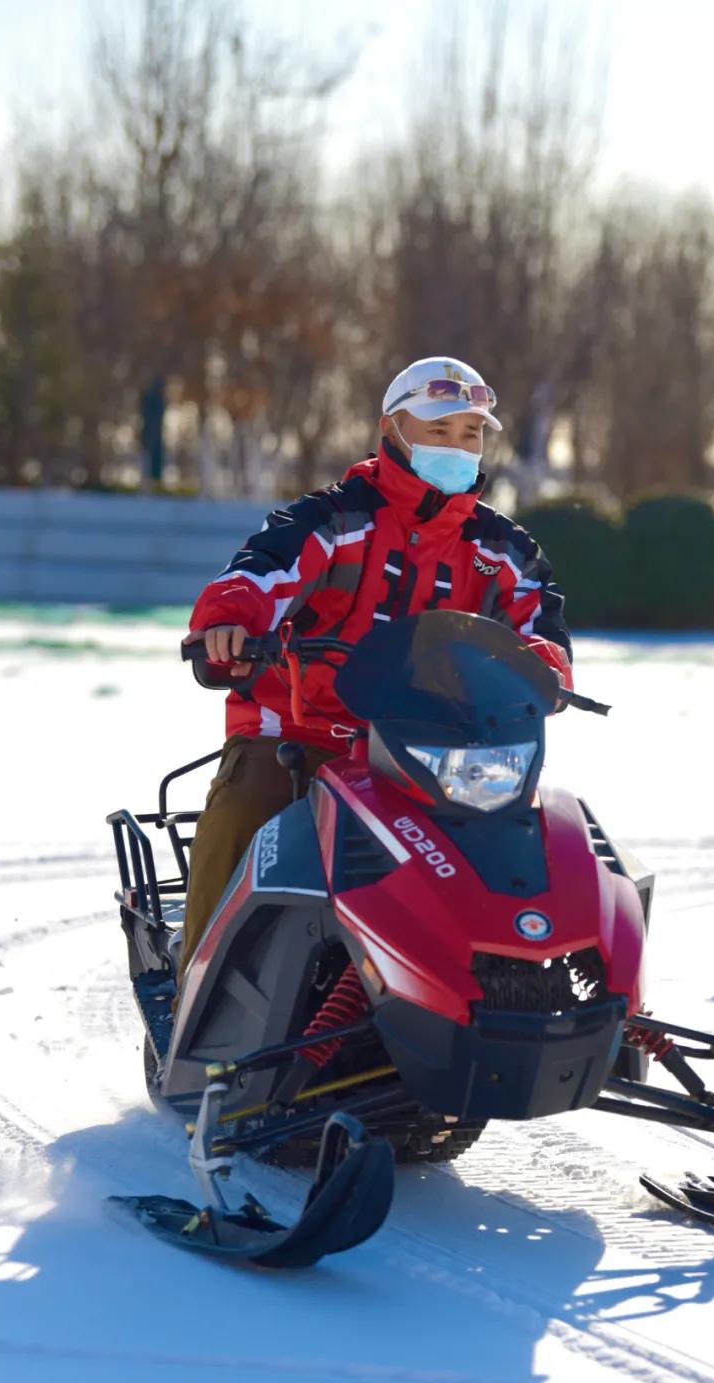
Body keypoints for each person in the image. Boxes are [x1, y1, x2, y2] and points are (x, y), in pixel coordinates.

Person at [178, 355, 572, 983]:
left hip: (434, 752)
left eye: (469, 433)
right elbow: (263, 570)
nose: (457, 446)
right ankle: (197, 989)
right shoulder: (336, 517)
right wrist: (230, 620)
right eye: (438, 430)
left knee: (525, 848)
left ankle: (510, 989)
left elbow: (539, 627)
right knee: (241, 819)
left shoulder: (502, 549)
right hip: (297, 738)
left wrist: (543, 670)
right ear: (392, 432)